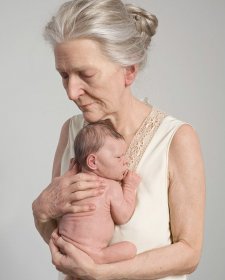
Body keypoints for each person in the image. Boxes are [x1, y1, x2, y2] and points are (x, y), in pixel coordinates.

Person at [32, 0, 205, 279]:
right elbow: (58, 226)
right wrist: (39, 211)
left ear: (129, 70)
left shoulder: (176, 139)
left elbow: (189, 252)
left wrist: (101, 272)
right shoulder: (71, 130)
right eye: (64, 75)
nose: (71, 92)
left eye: (86, 74)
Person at [58, 120, 140, 270]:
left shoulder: (72, 181)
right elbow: (123, 216)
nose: (126, 161)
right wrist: (129, 186)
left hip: (63, 247)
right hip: (92, 254)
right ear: (93, 162)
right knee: (131, 249)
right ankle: (99, 260)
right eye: (118, 157)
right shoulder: (110, 187)